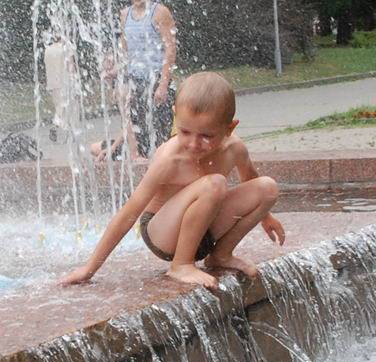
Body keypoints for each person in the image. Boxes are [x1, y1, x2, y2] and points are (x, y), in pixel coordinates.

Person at [61, 71, 285, 289]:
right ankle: (181, 265)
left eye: (206, 136)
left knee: (268, 188)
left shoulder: (235, 148)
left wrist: (265, 217)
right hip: (162, 233)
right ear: (175, 115)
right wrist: (89, 269)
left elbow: (249, 178)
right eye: (185, 132)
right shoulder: (169, 159)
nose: (194, 144)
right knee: (215, 183)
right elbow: (129, 212)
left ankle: (221, 255)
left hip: (204, 231)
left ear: (230, 128)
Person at [121, 1, 177, 157]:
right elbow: (125, 50)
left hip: (156, 80)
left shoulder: (159, 12)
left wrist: (163, 85)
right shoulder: (125, 14)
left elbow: (170, 48)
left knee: (161, 134)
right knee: (141, 133)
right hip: (135, 80)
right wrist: (117, 73)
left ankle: (164, 165)